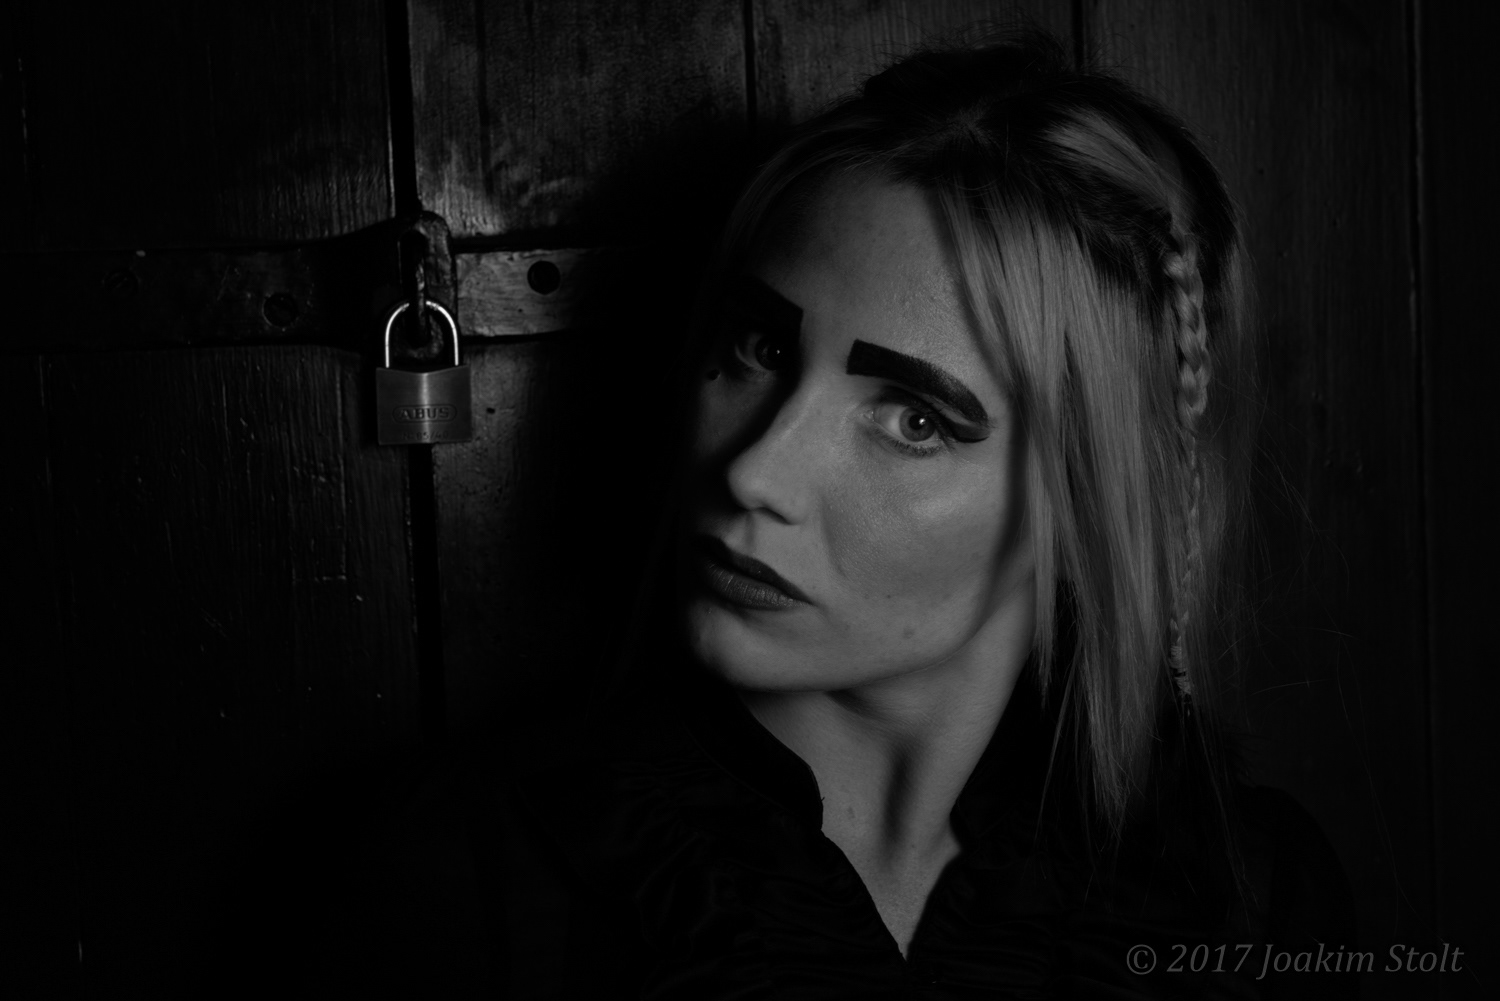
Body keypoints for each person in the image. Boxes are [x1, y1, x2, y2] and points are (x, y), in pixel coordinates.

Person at [223, 30, 1356, 1000]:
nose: (758, 468)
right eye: (761, 346)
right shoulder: (460, 876)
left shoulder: (1253, 900)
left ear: (1093, 504)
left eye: (914, 417)